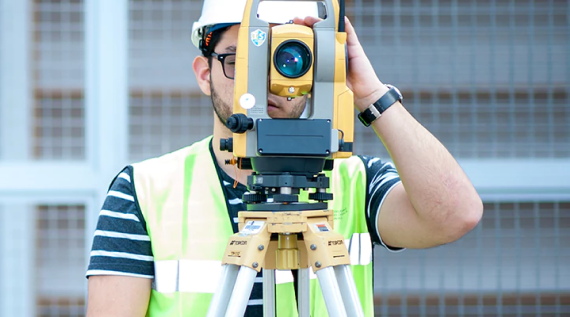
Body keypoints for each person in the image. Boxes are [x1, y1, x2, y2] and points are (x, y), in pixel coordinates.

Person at [85, 0, 483, 316]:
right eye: (242, 59)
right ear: (204, 73)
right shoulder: (142, 191)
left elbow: (456, 213)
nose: (266, 79)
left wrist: (368, 92)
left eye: (286, 58)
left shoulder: (354, 180)